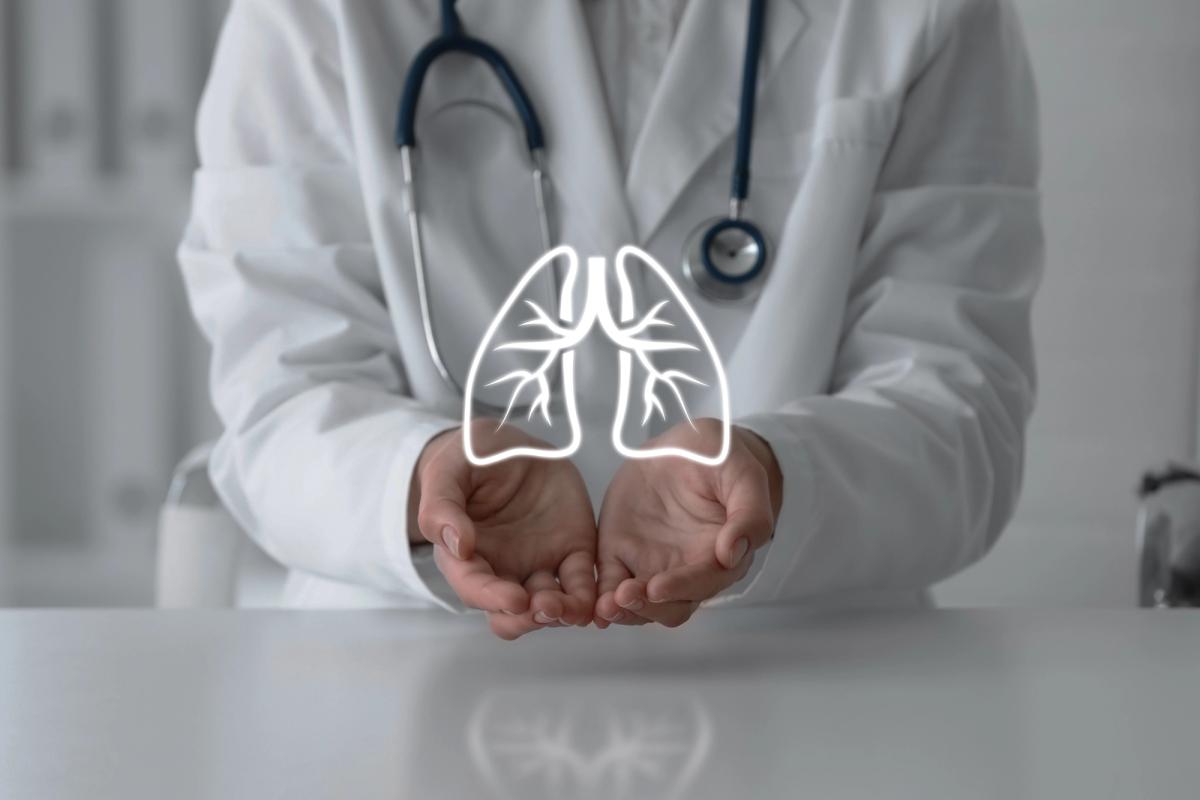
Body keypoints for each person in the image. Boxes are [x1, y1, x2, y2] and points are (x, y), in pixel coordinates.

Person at [179, 0, 1042, 639]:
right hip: (405, 670)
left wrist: (780, 471)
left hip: (804, 675)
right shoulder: (308, 14)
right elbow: (279, 402)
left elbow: (959, 420)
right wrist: (417, 477)